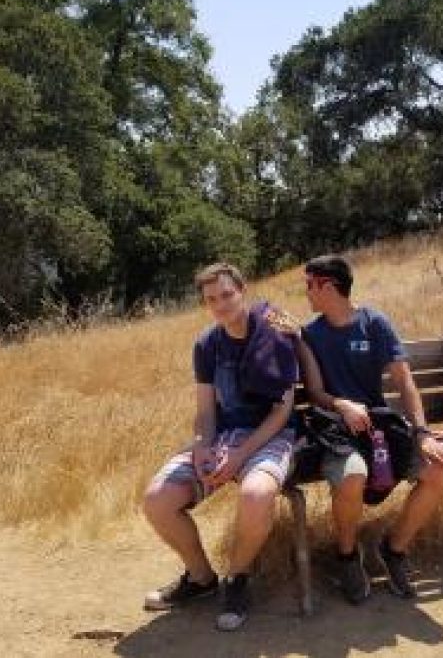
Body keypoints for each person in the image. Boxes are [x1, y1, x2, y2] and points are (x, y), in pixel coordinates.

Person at [142, 263, 298, 631]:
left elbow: (281, 412)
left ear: (243, 290)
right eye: (211, 299)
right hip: (223, 437)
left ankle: (237, 579)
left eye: (227, 294)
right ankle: (200, 579)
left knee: (257, 495)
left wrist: (241, 457)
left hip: (270, 436)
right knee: (157, 500)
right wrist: (202, 446)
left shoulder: (275, 332)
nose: (221, 304)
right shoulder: (207, 345)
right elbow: (206, 411)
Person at [300, 254, 443, 604]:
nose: (306, 292)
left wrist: (423, 433)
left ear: (327, 285)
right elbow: (314, 393)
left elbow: (405, 382)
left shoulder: (374, 323)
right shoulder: (310, 335)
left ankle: (394, 549)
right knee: (352, 474)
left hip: (380, 428)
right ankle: (346, 555)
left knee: (440, 469)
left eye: (309, 285)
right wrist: (342, 404)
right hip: (335, 430)